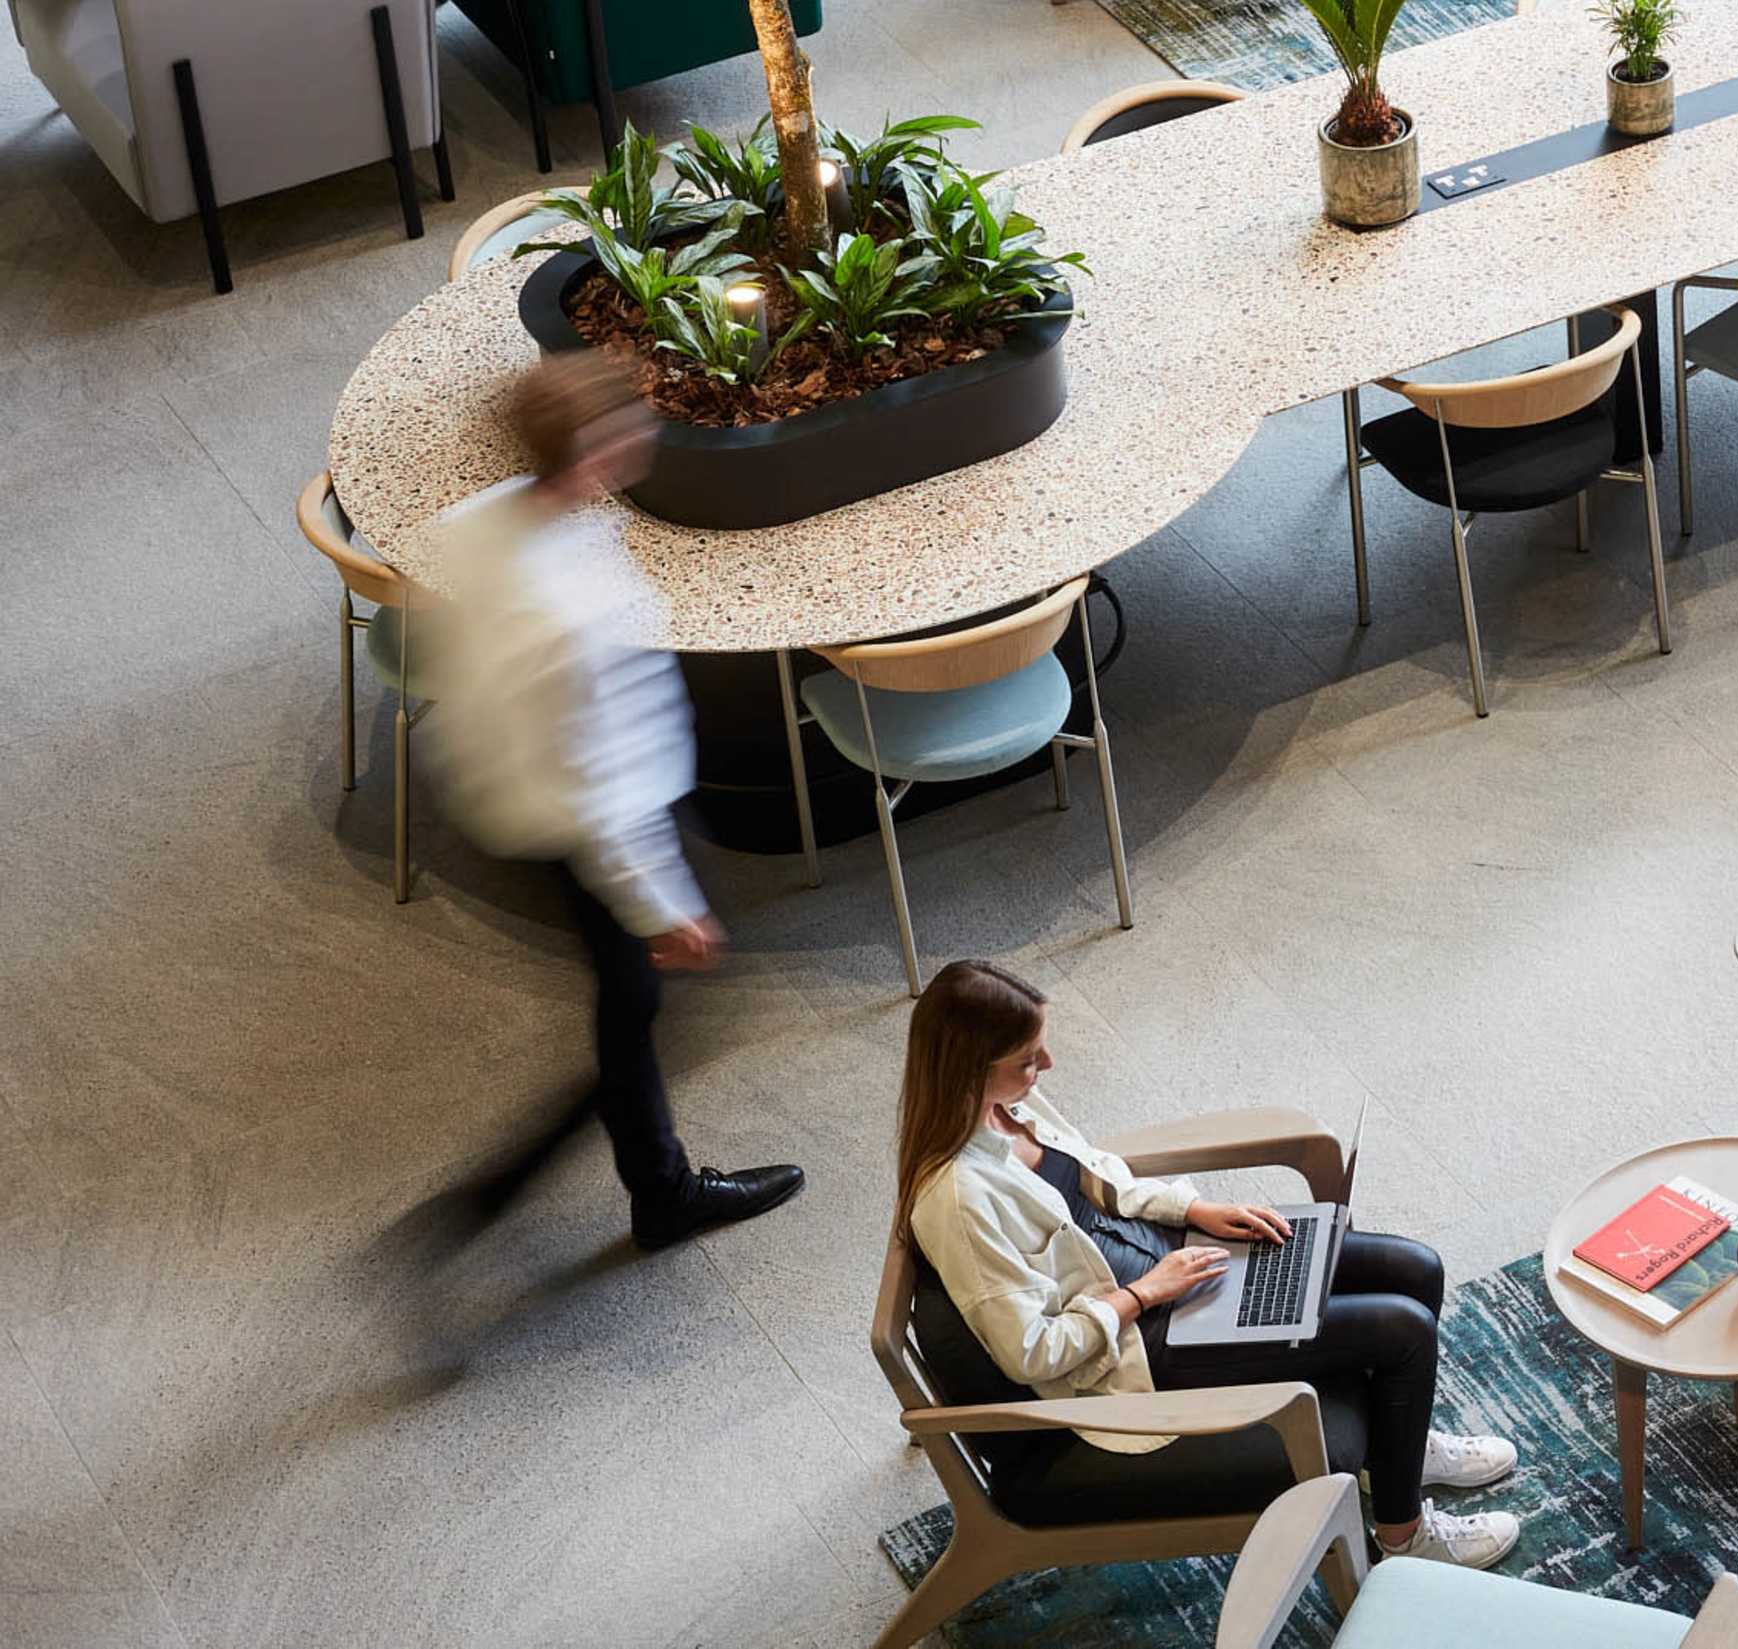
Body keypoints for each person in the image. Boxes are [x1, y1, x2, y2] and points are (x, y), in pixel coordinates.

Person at [895, 959, 1526, 1568]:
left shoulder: (1007, 1109)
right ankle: (1402, 1534)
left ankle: (1393, 1454)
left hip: (1179, 1266)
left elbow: (1103, 1180)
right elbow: (1032, 1353)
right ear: (970, 1069)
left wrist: (1196, 1209)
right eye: (1029, 1059)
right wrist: (1145, 1293)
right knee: (1403, 1331)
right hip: (1142, 1348)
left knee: (1416, 1268)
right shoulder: (958, 1201)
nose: (1048, 1066)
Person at [422, 351, 804, 1249]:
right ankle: (642, 1192)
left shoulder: (487, 523)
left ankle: (622, 1183)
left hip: (513, 795)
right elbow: (600, 780)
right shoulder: (570, 610)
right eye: (628, 424)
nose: (644, 433)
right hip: (585, 816)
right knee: (639, 1001)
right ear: (591, 450)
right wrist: (664, 903)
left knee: (631, 999)